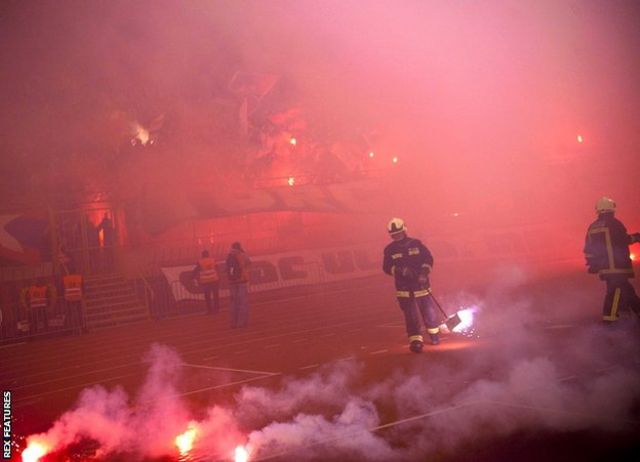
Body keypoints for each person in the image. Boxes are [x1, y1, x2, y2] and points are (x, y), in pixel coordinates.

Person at [383, 218, 440, 353]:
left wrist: (424, 273)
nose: (396, 236)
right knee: (411, 316)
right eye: (394, 234)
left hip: (421, 287)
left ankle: (434, 335)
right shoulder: (389, 250)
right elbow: (386, 267)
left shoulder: (416, 244)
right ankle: (416, 341)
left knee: (429, 313)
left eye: (398, 233)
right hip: (404, 290)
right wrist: (400, 270)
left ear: (404, 231)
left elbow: (428, 259)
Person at [583, 197, 640, 323]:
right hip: (618, 266)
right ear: (611, 210)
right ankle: (609, 320)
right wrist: (637, 237)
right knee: (615, 292)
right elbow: (623, 240)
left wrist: (592, 264)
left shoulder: (592, 227)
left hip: (605, 267)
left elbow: (588, 248)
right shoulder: (614, 224)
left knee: (627, 290)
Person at [226, 242, 252, 328]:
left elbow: (228, 269)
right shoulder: (243, 255)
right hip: (241, 281)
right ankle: (242, 322)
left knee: (233, 303)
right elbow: (249, 264)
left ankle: (233, 323)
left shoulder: (229, 256)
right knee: (243, 302)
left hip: (232, 282)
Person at [193, 250, 220, 314]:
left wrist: (191, 277)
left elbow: (196, 270)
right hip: (214, 280)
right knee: (216, 296)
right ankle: (216, 310)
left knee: (207, 297)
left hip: (206, 281)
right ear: (208, 254)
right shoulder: (213, 260)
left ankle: (209, 310)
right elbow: (217, 268)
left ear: (202, 255)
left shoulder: (200, 262)